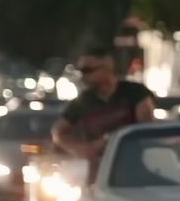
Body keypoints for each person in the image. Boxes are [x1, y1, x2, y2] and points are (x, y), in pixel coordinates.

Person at [51, 46, 157, 178]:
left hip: (134, 172)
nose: (83, 76)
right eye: (80, 71)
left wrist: (108, 140)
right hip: (99, 176)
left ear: (108, 67)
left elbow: (146, 131)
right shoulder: (83, 100)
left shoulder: (135, 92)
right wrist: (80, 149)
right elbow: (58, 132)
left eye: (88, 70)